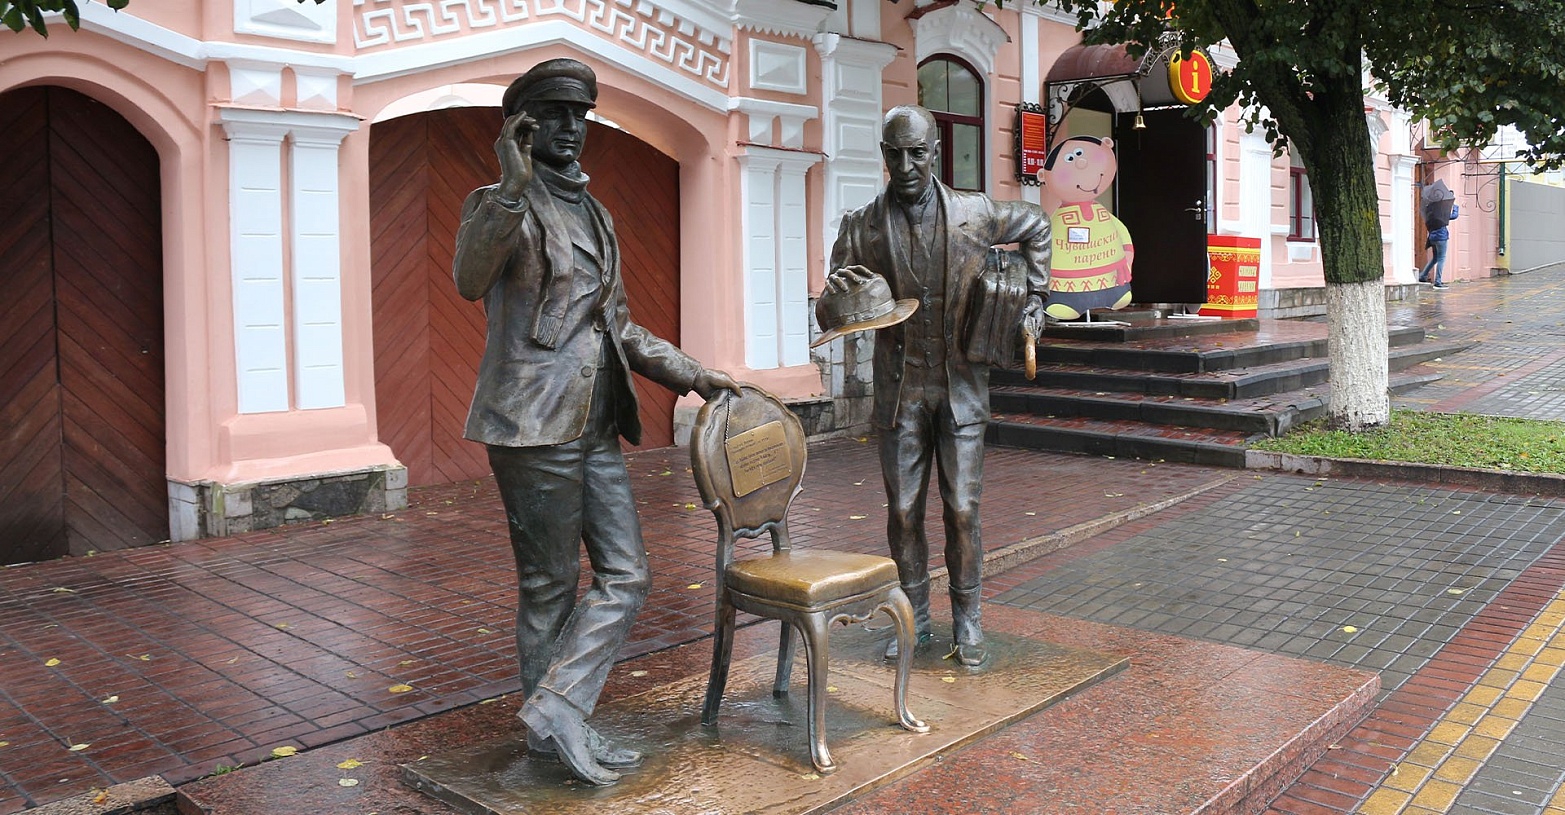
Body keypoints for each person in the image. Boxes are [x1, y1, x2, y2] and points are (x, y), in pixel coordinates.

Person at [452, 57, 739, 787]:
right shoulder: (499, 202)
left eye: (580, 115)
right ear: (520, 127)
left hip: (594, 424)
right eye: (554, 114)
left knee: (626, 574)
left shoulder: (595, 212)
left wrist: (694, 374)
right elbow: (468, 278)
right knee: (549, 584)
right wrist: (511, 185)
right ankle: (555, 733)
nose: (572, 127)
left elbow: (620, 327)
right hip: (531, 422)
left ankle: (556, 708)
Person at [825, 105, 1050, 667]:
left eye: (917, 153)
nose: (905, 166)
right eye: (895, 154)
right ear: (884, 155)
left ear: (936, 153)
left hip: (961, 389)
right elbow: (833, 300)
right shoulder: (861, 227)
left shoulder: (975, 212)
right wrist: (842, 299)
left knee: (963, 509)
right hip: (900, 391)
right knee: (903, 511)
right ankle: (915, 618)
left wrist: (1036, 299)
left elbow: (1038, 225)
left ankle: (968, 620)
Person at [1420, 201, 1458, 289]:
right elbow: (1454, 216)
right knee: (1441, 258)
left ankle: (1423, 276)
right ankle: (1438, 281)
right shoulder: (1441, 213)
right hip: (1441, 238)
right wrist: (1455, 207)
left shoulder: (1429, 213)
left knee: (1435, 258)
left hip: (1432, 238)